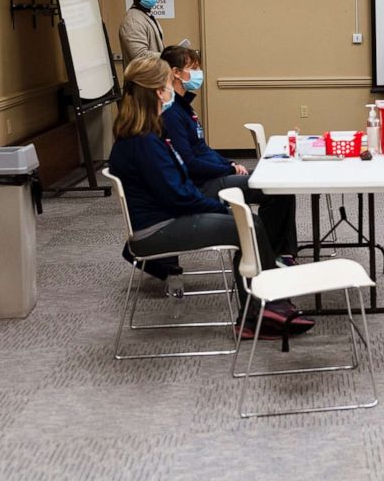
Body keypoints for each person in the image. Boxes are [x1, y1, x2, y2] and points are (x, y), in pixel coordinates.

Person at [108, 54, 312, 338]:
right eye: (168, 84)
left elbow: (177, 190)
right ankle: (263, 311)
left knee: (245, 223)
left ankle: (267, 306)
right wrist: (218, 206)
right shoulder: (144, 142)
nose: (171, 93)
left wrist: (216, 207)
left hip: (164, 218)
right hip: (157, 229)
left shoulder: (141, 135)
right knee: (245, 224)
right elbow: (178, 197)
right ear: (158, 91)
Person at [158, 46, 301, 270]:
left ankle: (282, 252)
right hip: (201, 186)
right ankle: (271, 255)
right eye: (193, 68)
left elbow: (203, 150)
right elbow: (189, 164)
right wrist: (227, 171)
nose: (198, 74)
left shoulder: (185, 109)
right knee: (276, 189)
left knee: (280, 185)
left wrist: (229, 164)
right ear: (176, 73)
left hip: (212, 177)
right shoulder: (172, 113)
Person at [118, 0, 165, 64]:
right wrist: (169, 56)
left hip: (154, 76)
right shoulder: (132, 21)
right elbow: (139, 56)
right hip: (142, 78)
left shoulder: (146, 15)